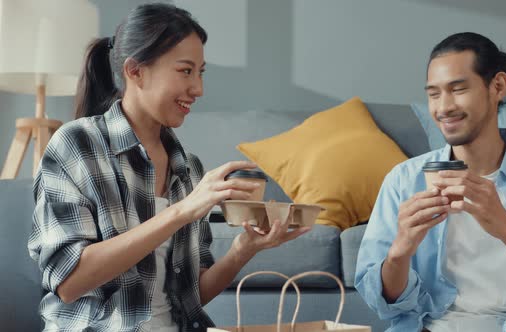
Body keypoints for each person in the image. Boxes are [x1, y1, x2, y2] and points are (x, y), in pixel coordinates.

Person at [28, 4, 309, 331]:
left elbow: (190, 298)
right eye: (185, 71)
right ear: (135, 71)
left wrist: (242, 250)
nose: (198, 89)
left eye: (201, 72)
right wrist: (181, 212)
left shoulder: (187, 168)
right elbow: (69, 282)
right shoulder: (75, 145)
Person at [355, 32, 506, 331]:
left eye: (458, 89)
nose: (444, 107)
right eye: (434, 94)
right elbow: (383, 303)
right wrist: (401, 250)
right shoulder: (403, 180)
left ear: (498, 86)